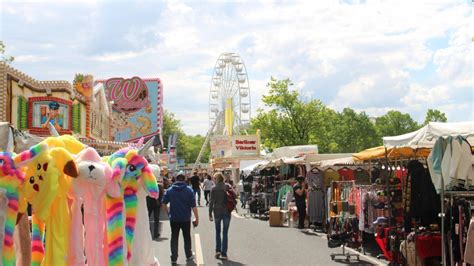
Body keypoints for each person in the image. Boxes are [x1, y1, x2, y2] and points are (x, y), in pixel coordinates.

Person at [162, 174, 199, 264]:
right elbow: (193, 206)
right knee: (187, 237)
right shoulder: (189, 190)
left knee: (174, 237)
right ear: (185, 179)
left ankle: (174, 258)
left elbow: (163, 203)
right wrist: (197, 218)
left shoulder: (170, 190)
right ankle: (188, 255)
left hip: (174, 218)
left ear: (175, 179)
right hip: (186, 218)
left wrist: (168, 213)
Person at [209, 172, 232, 260]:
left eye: (214, 178)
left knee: (217, 232)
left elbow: (211, 202)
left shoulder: (214, 188)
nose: (213, 180)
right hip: (227, 211)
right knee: (225, 233)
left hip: (217, 211)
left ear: (217, 179)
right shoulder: (227, 186)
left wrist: (210, 213)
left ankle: (218, 250)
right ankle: (224, 253)